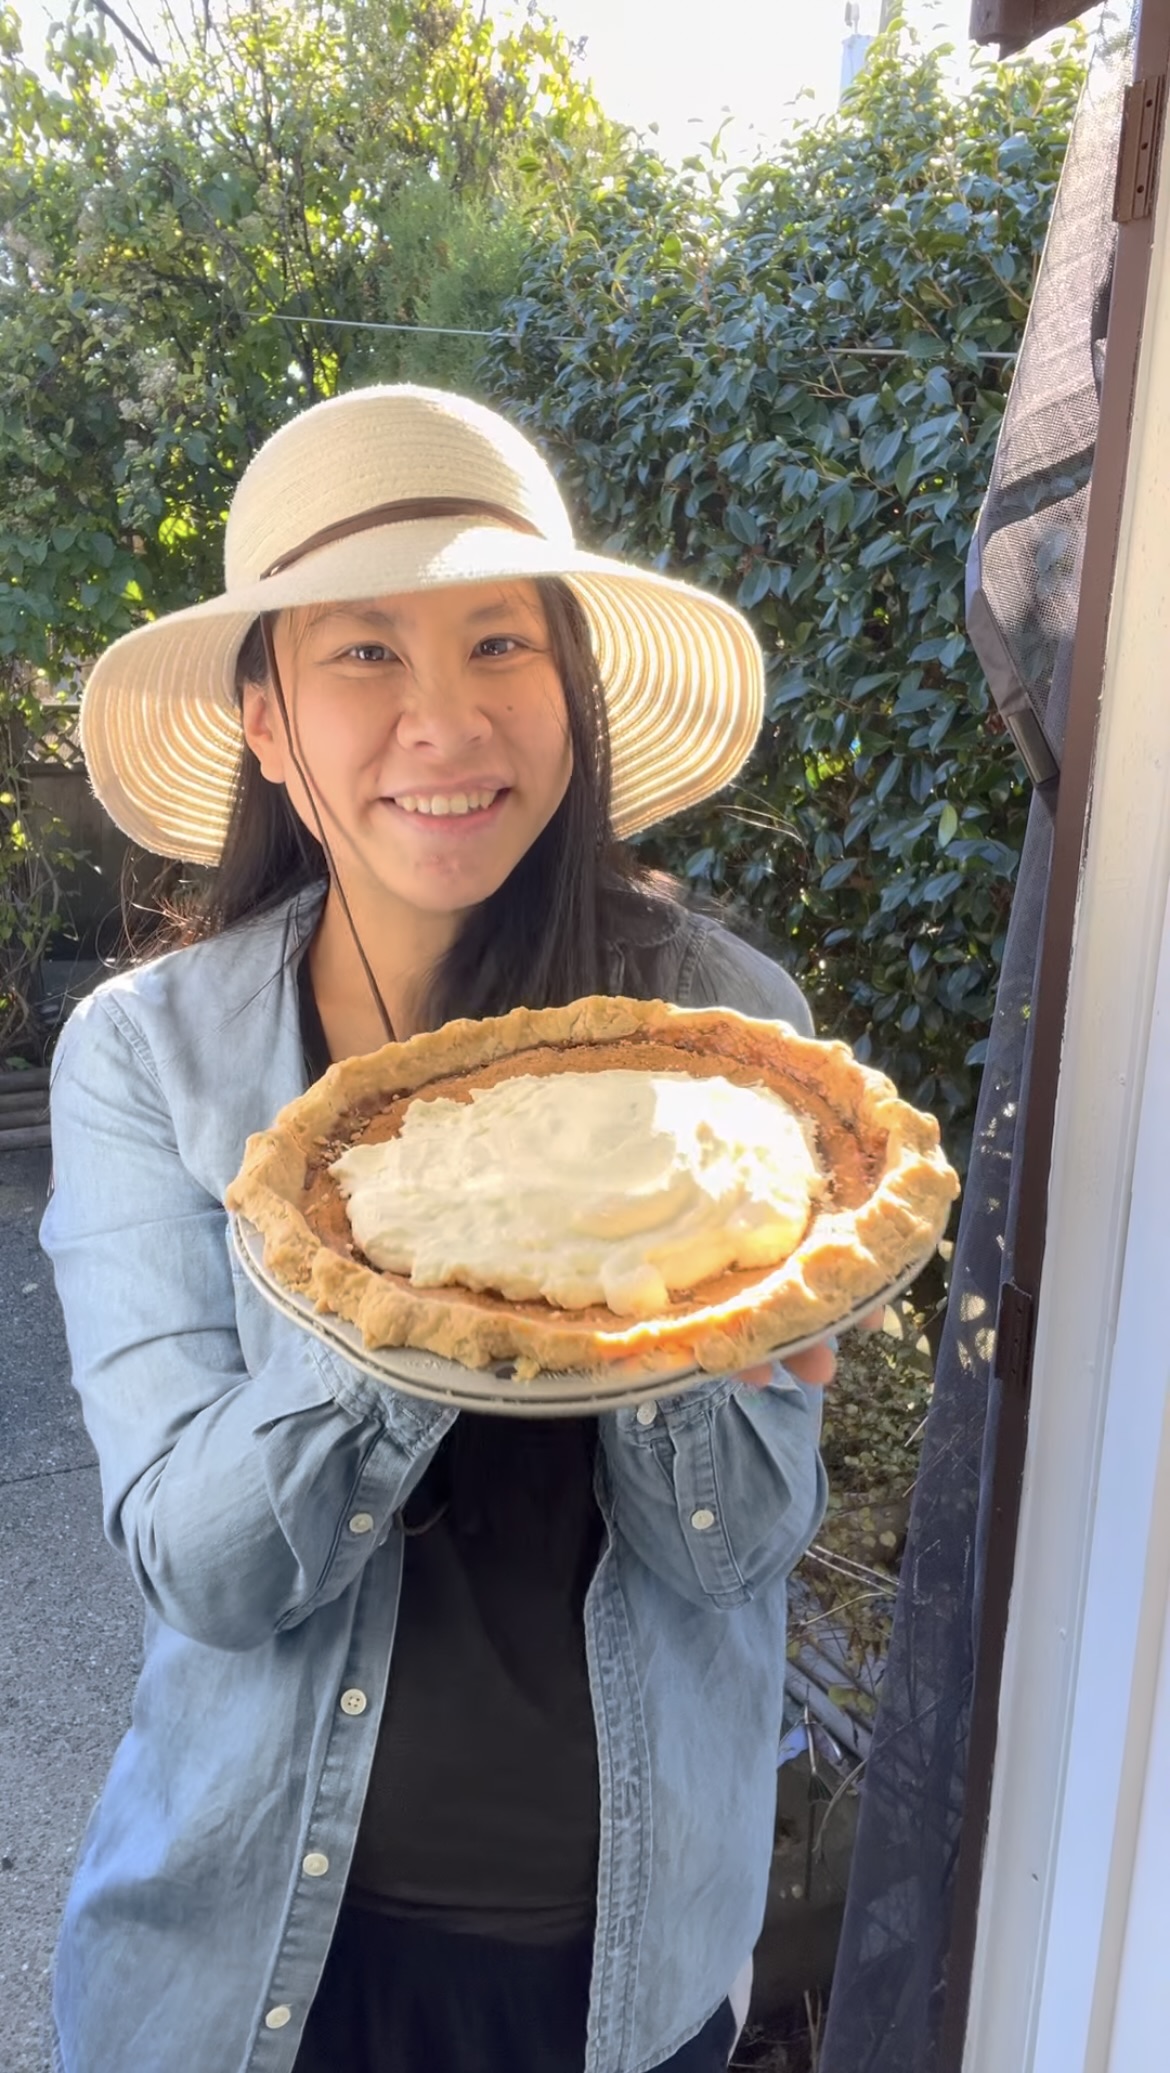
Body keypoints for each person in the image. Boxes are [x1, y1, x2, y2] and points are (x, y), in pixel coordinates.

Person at [42, 384, 834, 2073]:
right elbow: (203, 1563)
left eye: (498, 643)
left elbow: (732, 1545)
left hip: (617, 1989)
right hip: (243, 1977)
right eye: (364, 652)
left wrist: (679, 1304)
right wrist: (436, 1252)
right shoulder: (147, 1058)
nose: (446, 721)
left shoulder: (724, 1050)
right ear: (267, 722)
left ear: (570, 689)